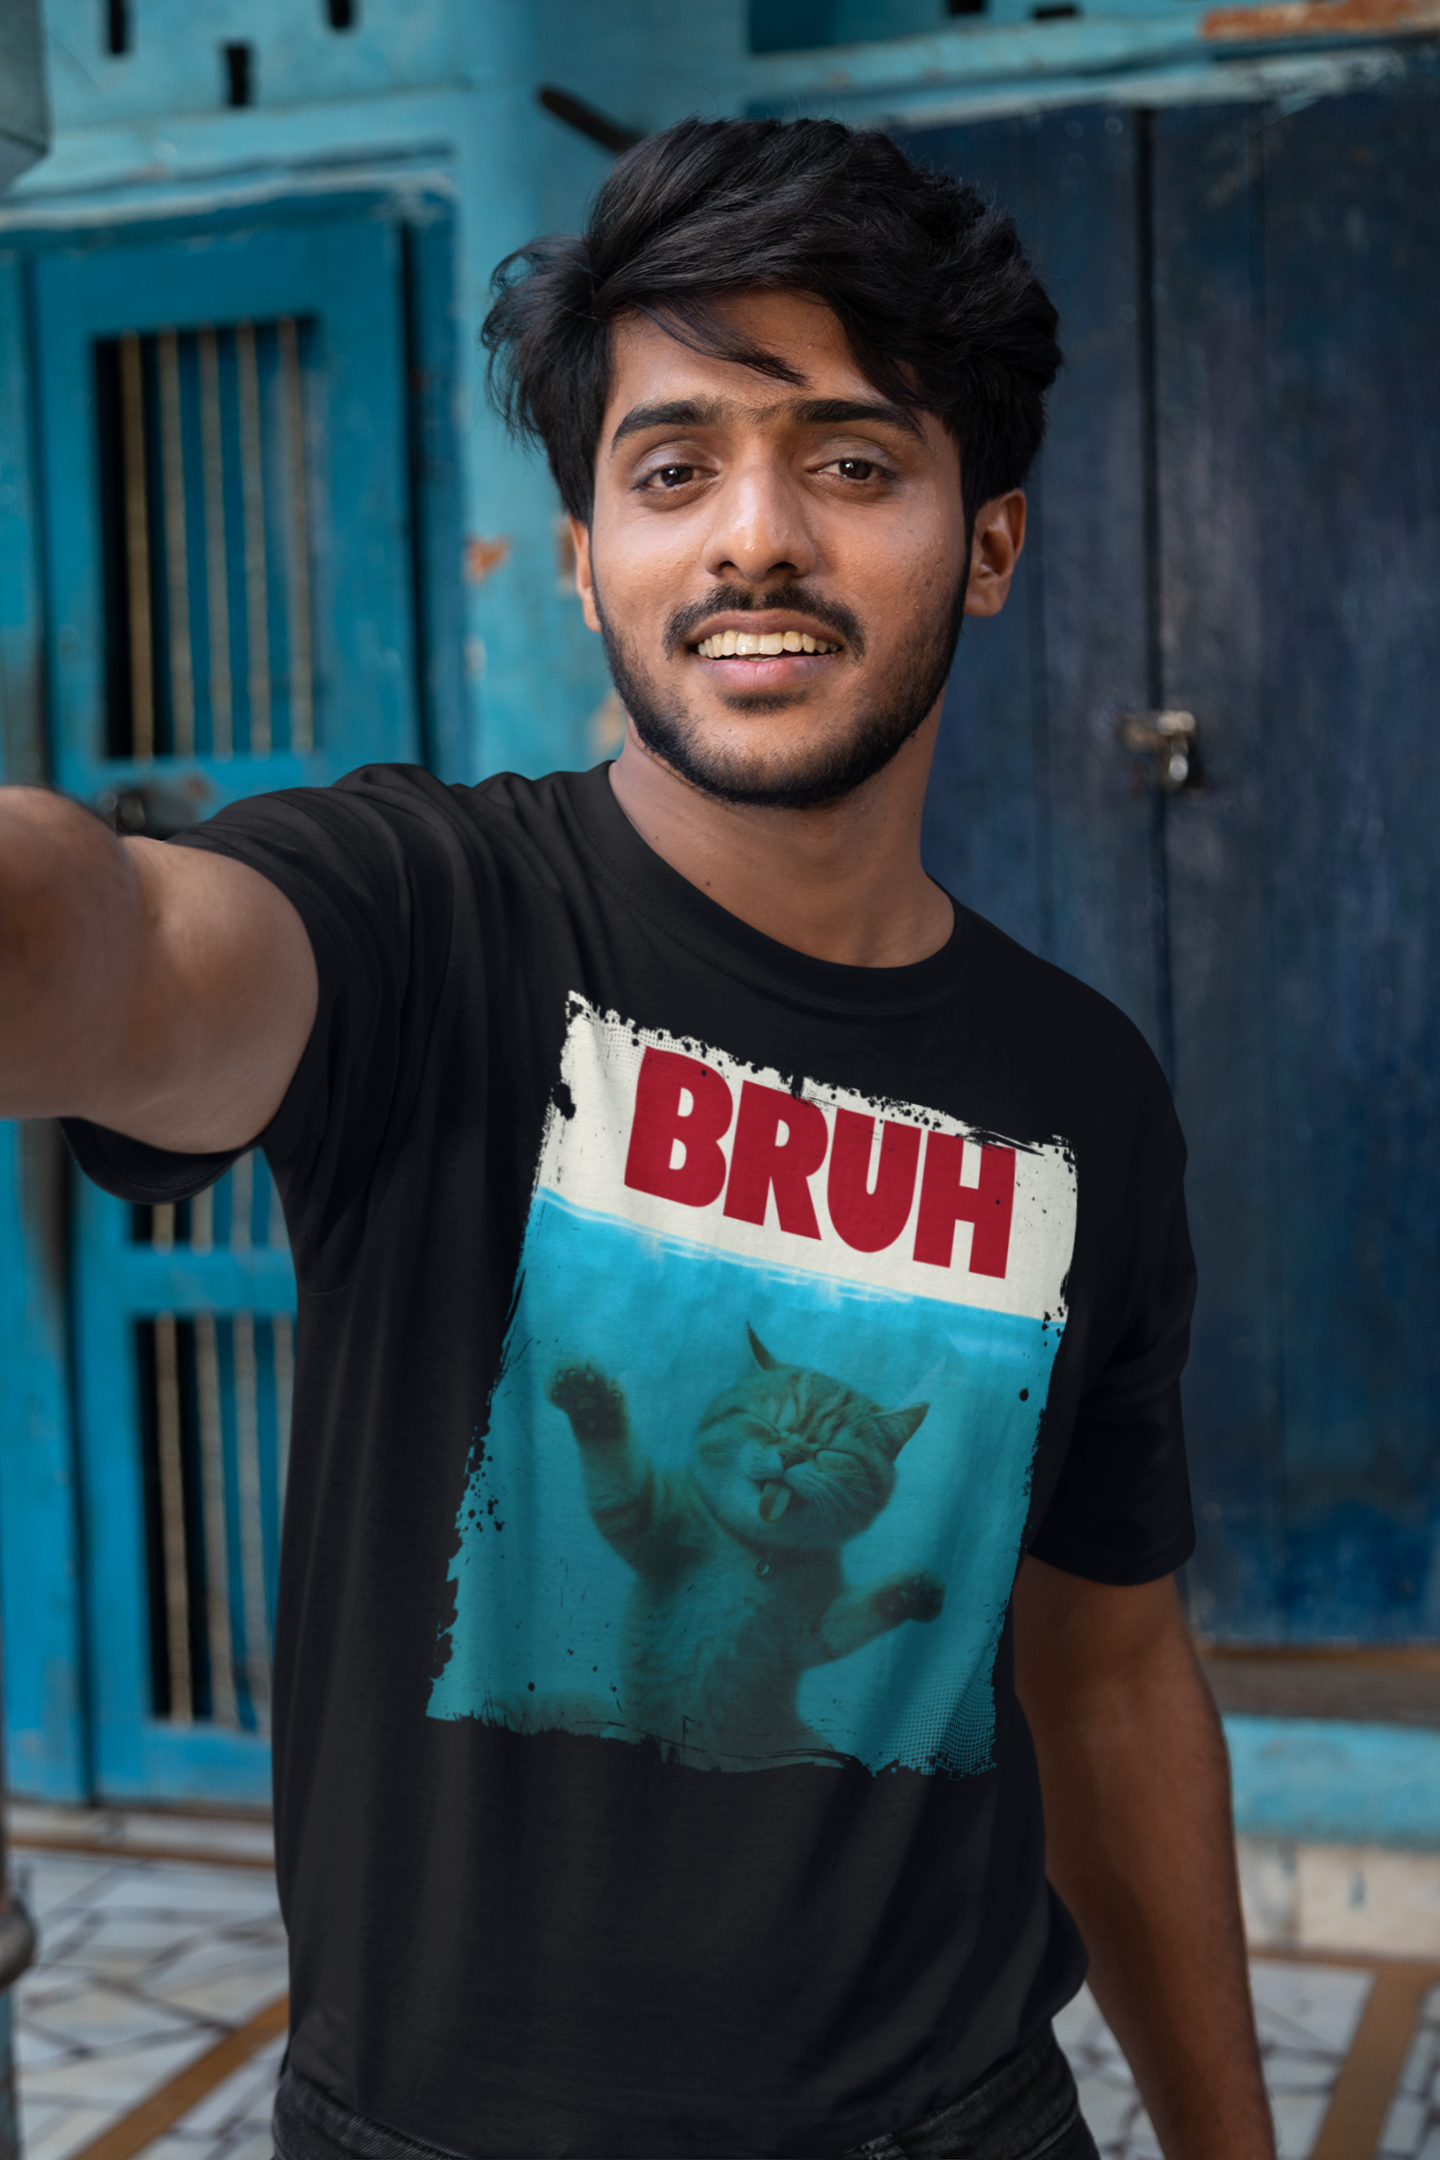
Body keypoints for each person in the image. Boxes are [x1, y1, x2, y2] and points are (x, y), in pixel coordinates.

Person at [0, 118, 1273, 2160]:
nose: (755, 539)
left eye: (851, 462)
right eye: (673, 469)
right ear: (588, 554)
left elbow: (1108, 1677)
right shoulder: (420, 918)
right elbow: (120, 951)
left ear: (989, 542)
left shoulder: (1085, 1089)